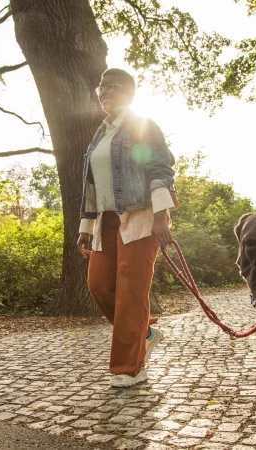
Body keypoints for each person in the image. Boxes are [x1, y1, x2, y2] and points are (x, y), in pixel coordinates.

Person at [77, 68, 177, 388]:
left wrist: (161, 215)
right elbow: (91, 185)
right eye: (101, 86)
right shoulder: (100, 134)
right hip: (106, 220)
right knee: (98, 284)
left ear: (130, 94)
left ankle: (129, 369)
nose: (104, 91)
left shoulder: (143, 126)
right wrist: (86, 224)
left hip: (141, 216)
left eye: (113, 86)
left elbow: (160, 168)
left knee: (131, 293)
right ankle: (145, 334)